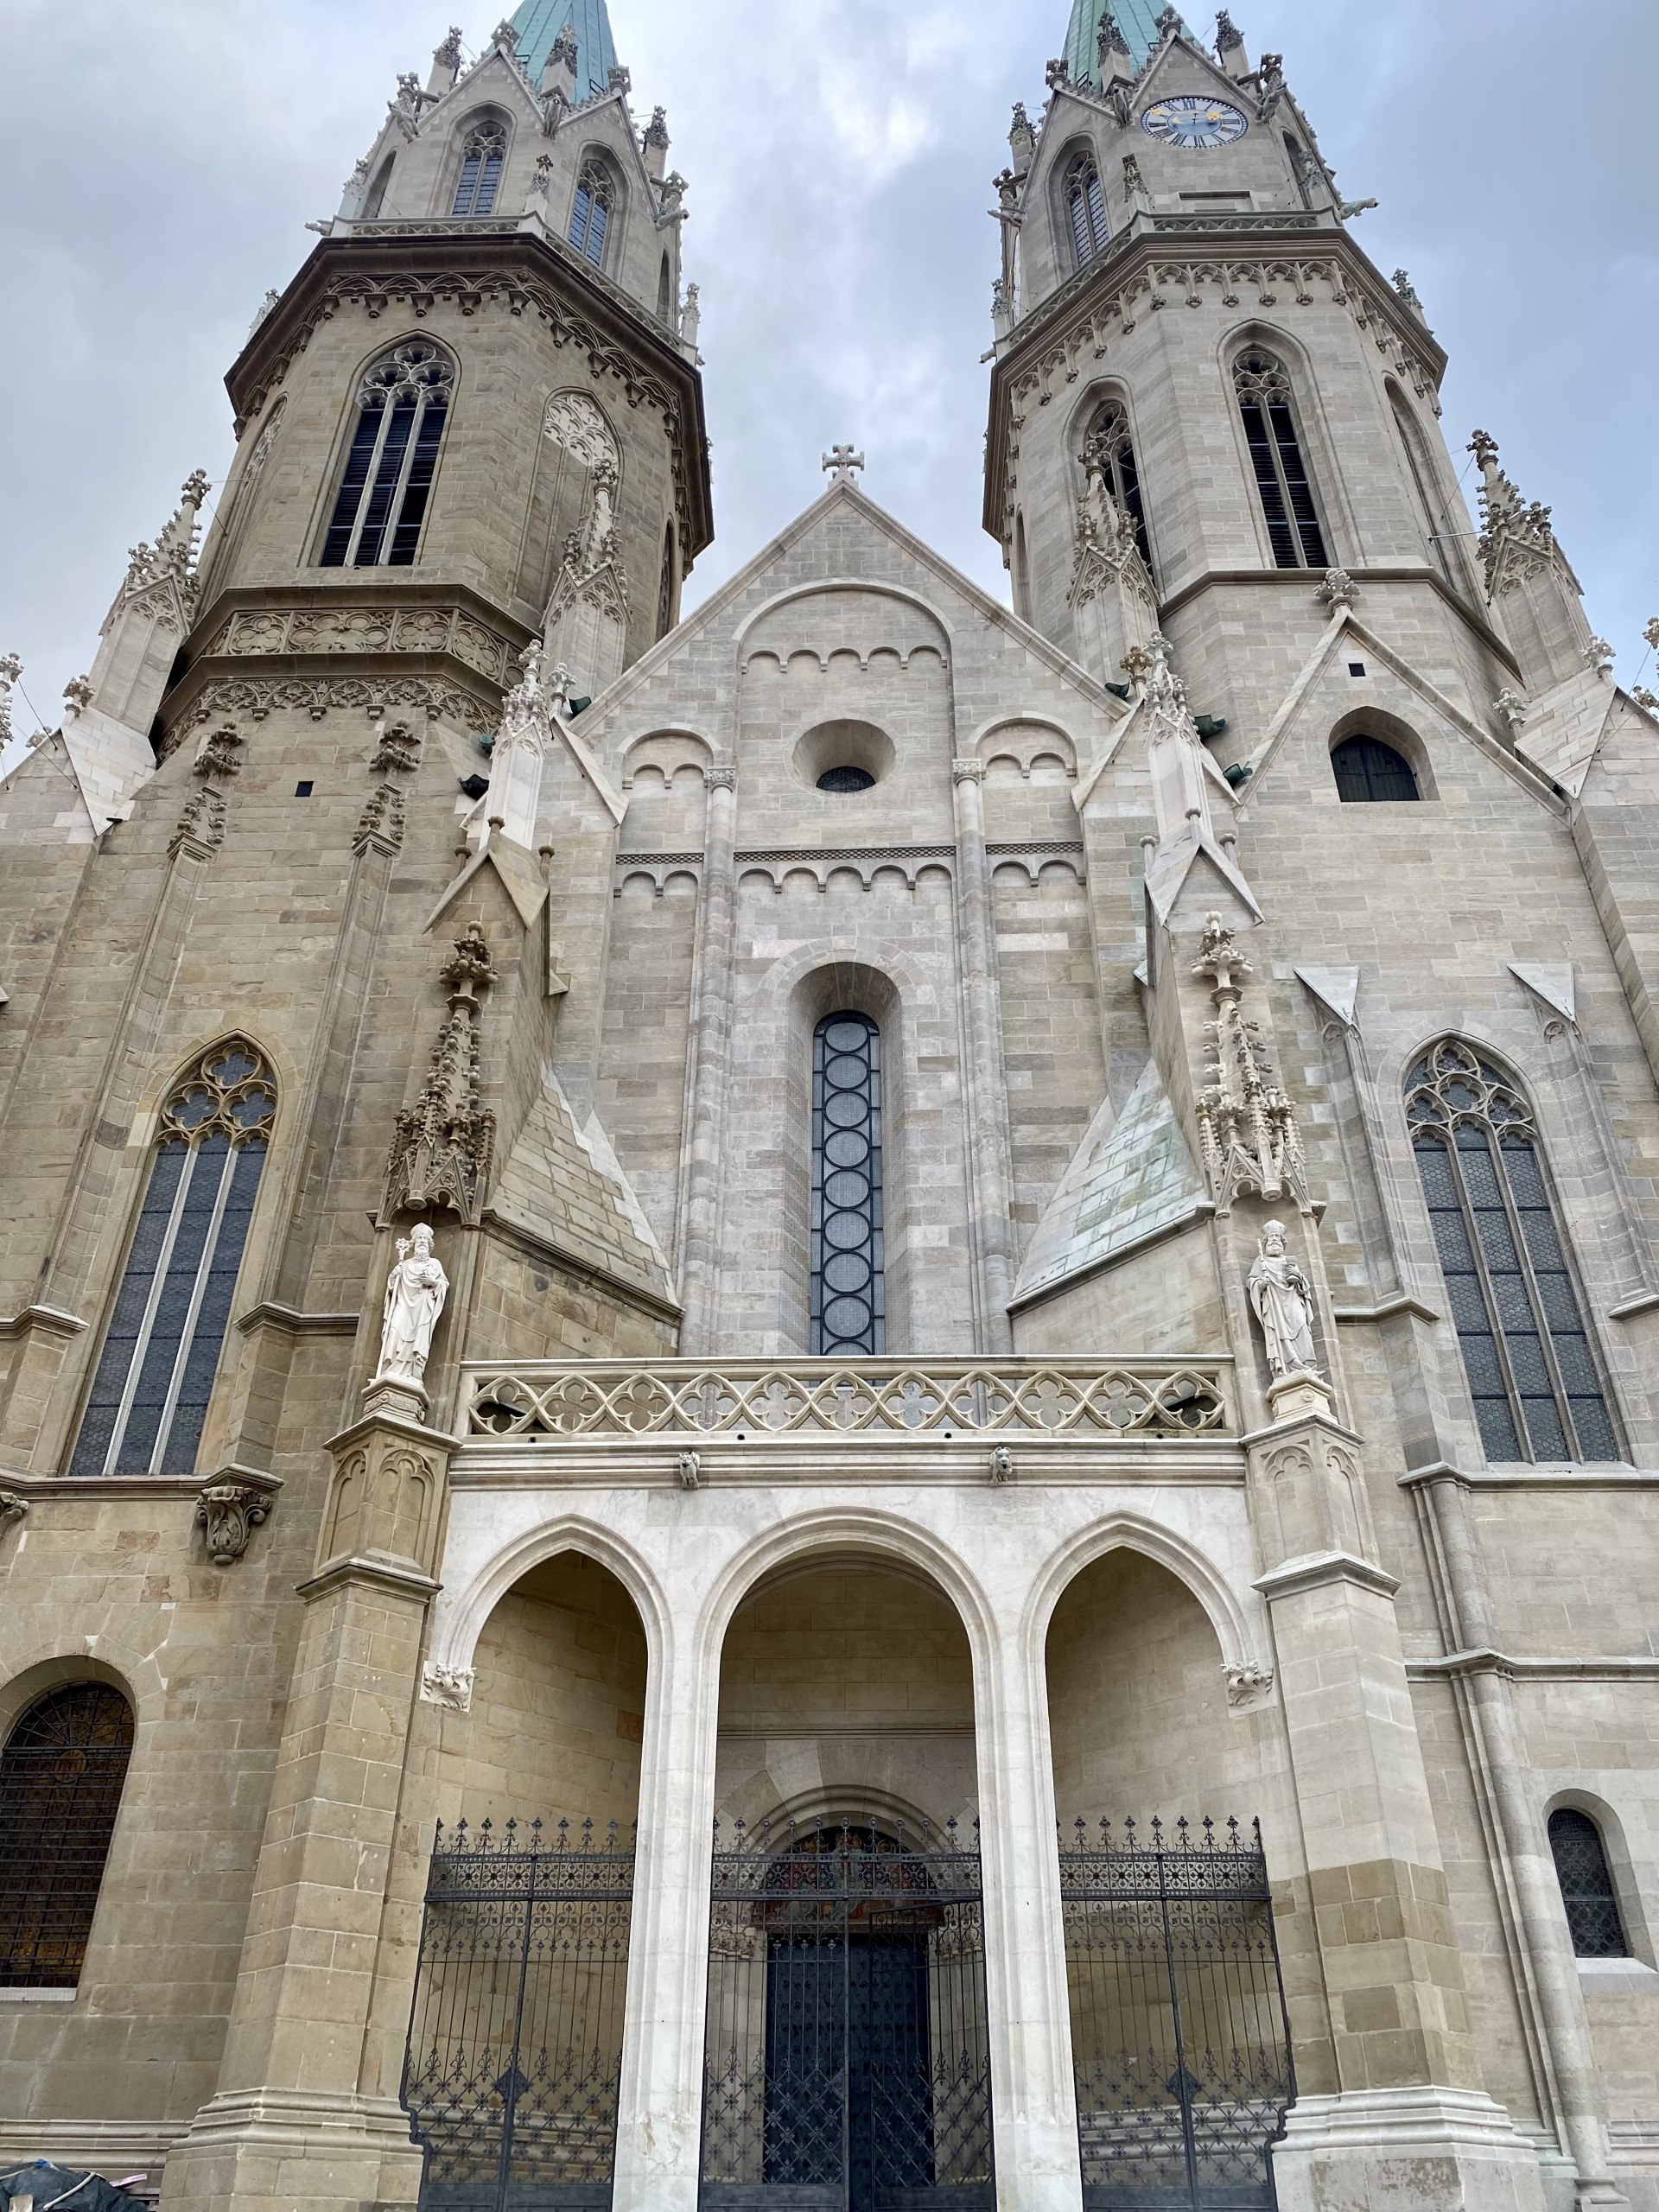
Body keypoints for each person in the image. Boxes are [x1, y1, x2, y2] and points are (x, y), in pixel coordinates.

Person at [375, 1221, 449, 1387]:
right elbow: (393, 1289)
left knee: (418, 1338)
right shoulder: (405, 1265)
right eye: (419, 1239)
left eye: (425, 1239)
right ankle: (390, 1370)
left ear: (430, 1245)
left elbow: (443, 1285)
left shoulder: (435, 1264)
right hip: (404, 1305)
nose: (422, 1241)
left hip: (422, 1308)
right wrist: (394, 1275)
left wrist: (432, 1282)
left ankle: (412, 1373)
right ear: (414, 1244)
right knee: (394, 1331)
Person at [1247, 1218, 1319, 1378]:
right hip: (1274, 1303)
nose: (1274, 1240)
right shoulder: (1261, 1261)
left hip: (1293, 1300)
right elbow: (1252, 1281)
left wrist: (1298, 1276)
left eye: (1277, 1238)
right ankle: (1287, 1366)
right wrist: (1261, 1284)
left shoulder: (1290, 1261)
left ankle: (1305, 1365)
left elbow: (1303, 1287)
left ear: (1282, 1242)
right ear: (1265, 1243)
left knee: (1301, 1327)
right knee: (1280, 1332)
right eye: (1271, 1238)